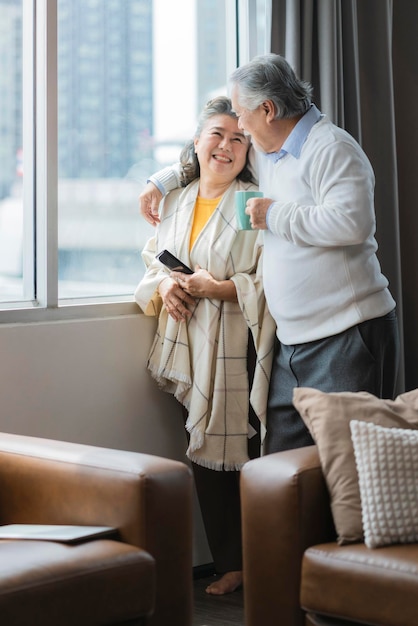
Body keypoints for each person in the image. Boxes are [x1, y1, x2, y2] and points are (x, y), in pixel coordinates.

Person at [138, 54, 400, 457]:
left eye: (243, 116)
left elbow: (353, 224)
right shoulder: (269, 151)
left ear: (268, 109)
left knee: (346, 469)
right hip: (292, 342)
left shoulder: (332, 148)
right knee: (282, 465)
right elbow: (216, 155)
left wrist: (273, 214)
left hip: (347, 334)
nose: (239, 127)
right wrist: (160, 181)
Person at [134, 96, 275, 595]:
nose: (227, 146)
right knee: (201, 451)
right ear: (197, 143)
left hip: (238, 339)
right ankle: (229, 563)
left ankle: (264, 564)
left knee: (250, 453)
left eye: (239, 138)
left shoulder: (250, 201)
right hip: (188, 343)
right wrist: (167, 285)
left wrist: (221, 288)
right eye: (217, 134)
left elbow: (268, 275)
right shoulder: (176, 198)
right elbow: (155, 259)